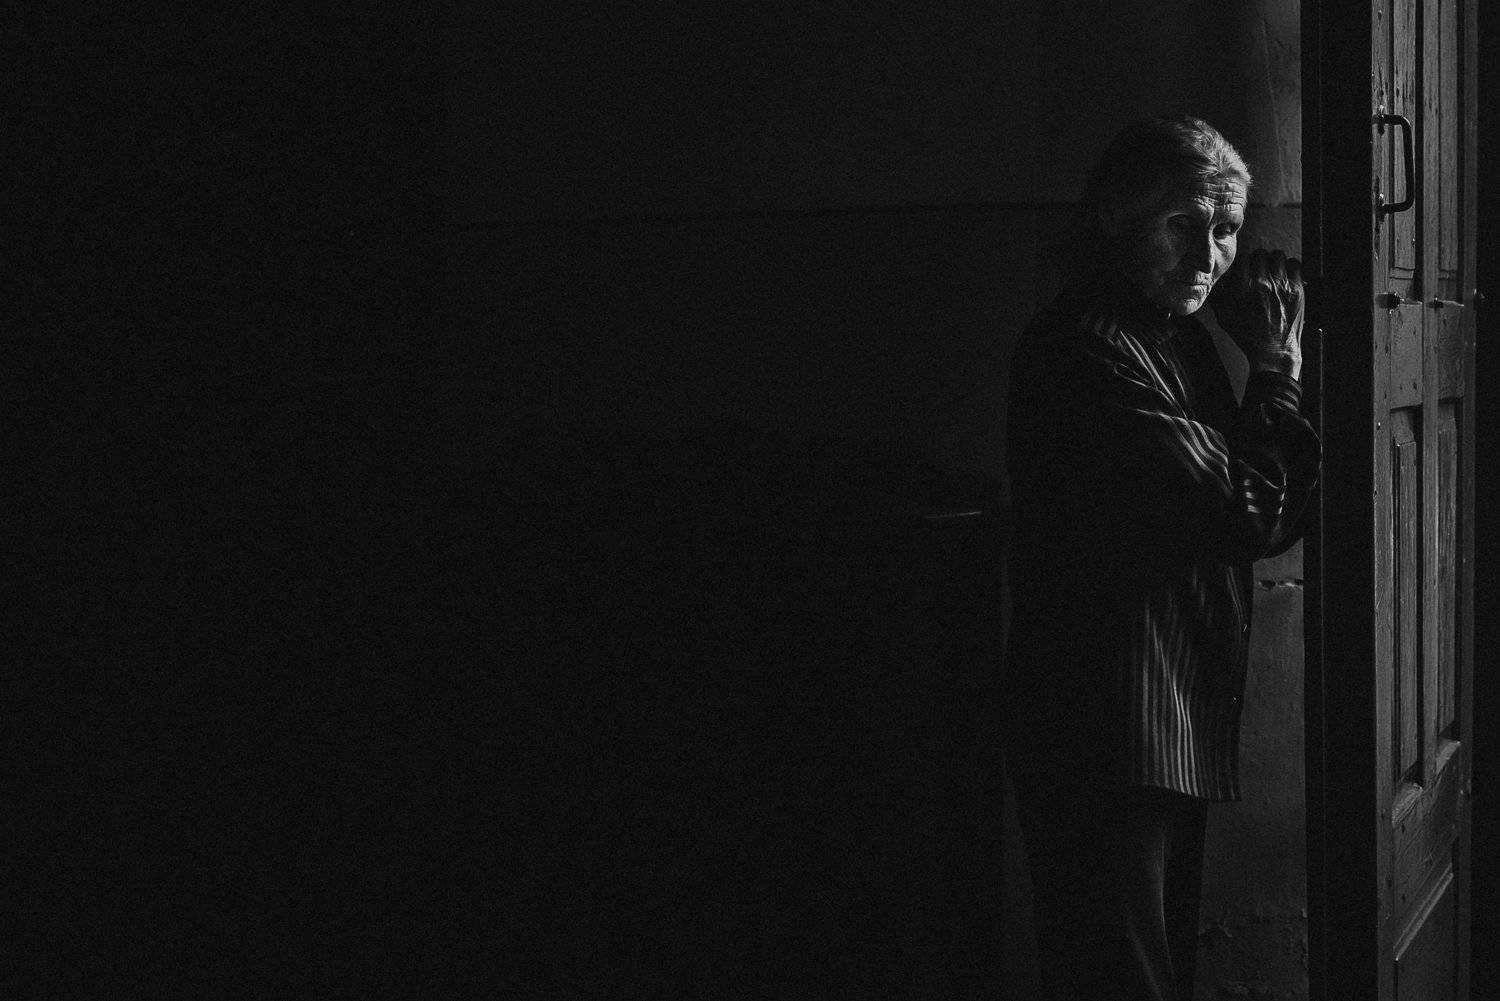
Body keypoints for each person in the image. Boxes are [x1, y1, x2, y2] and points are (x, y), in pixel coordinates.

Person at [1002, 116, 1321, 1000]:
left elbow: (1262, 508)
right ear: (1114, 213)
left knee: (1150, 969)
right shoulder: (1088, 347)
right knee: (1120, 977)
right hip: (1103, 729)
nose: (1211, 255)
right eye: (1185, 224)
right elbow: (1254, 509)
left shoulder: (1174, 339)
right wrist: (1277, 367)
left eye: (1227, 229)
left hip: (1160, 721)